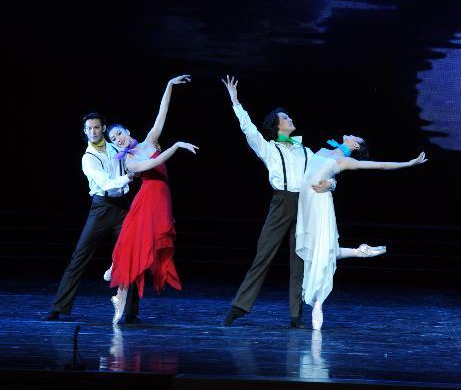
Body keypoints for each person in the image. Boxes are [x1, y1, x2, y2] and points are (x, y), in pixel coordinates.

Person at [221, 75, 339, 328]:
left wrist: (331, 184)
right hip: (281, 203)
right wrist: (235, 101)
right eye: (285, 117)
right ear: (277, 126)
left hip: (306, 204)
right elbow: (248, 128)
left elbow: (330, 173)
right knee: (263, 254)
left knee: (300, 260)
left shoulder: (306, 151)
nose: (290, 118)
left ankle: (296, 315)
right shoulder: (269, 148)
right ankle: (239, 306)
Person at [297, 135, 427, 330]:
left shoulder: (346, 161)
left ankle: (318, 303)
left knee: (321, 250)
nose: (349, 134)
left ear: (355, 144)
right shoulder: (323, 150)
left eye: (354, 136)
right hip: (305, 202)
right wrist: (332, 182)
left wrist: (409, 163)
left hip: (319, 204)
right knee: (318, 250)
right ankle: (360, 252)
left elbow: (380, 166)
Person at [105, 75, 198, 324]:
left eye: (119, 134)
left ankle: (119, 290)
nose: (118, 139)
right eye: (113, 139)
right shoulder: (129, 161)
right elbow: (155, 162)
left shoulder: (150, 140)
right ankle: (120, 289)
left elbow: (162, 113)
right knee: (137, 247)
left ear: (127, 131)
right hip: (147, 201)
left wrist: (168, 85)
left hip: (161, 200)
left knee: (149, 247)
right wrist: (177, 144)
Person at [45, 111, 141, 323]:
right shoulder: (88, 158)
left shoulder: (116, 147)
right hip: (101, 208)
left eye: (96, 127)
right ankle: (58, 306)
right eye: (89, 128)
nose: (93, 131)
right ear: (85, 131)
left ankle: (131, 312)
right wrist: (129, 176)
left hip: (123, 208)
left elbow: (136, 157)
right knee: (79, 256)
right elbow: (106, 183)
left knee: (130, 258)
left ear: (103, 128)